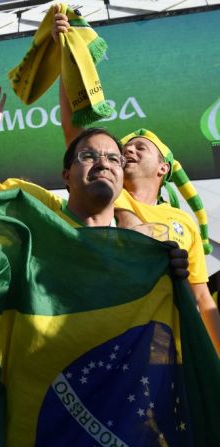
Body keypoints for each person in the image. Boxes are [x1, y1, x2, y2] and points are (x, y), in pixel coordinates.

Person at [51, 8, 220, 354]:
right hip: (112, 345)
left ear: (163, 168)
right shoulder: (109, 201)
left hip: (170, 357)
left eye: (139, 147)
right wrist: (65, 52)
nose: (127, 152)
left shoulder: (183, 222)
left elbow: (202, 297)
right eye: (121, 149)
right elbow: (74, 131)